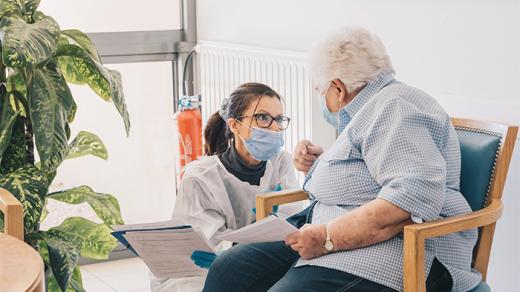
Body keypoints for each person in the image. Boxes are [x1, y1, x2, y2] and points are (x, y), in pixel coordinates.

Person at [203, 27, 481, 292]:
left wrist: (326, 238)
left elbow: (409, 199)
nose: (319, 95)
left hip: (403, 248)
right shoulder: (374, 108)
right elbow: (378, 167)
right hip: (334, 225)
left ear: (338, 88)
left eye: (320, 89)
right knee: (229, 269)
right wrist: (324, 164)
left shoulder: (395, 108)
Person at [150, 83, 300, 291]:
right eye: (263, 118)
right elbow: (206, 245)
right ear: (234, 125)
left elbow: (292, 222)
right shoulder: (200, 178)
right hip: (201, 270)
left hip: (262, 261)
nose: (274, 128)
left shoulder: (281, 162)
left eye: (279, 119)